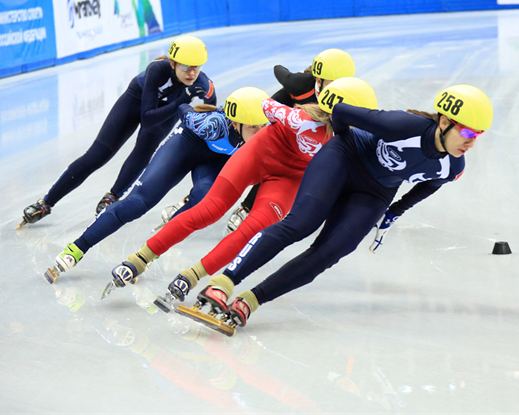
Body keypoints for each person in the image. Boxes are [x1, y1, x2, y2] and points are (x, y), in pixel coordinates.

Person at [194, 84, 493, 331]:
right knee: (300, 224)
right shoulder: (404, 126)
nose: (471, 143)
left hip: (377, 190)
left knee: (331, 251)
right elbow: (341, 112)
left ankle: (250, 301)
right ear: (444, 122)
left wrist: (394, 211)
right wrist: (341, 141)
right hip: (345, 157)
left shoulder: (453, 166)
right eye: (467, 133)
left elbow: (431, 183)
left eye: (477, 136)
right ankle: (222, 283)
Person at [107, 75, 364, 298]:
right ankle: (140, 258)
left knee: (253, 228)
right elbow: (266, 105)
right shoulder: (301, 119)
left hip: (289, 178)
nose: (364, 123)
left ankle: (193, 275)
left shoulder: (356, 139)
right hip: (260, 152)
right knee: (210, 209)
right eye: (360, 116)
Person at [43, 87, 269, 284]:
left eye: (263, 126)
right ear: (235, 123)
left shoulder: (265, 132)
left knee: (201, 203)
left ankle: (150, 252)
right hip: (187, 146)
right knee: (137, 203)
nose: (260, 133)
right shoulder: (212, 125)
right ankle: (78, 247)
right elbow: (183, 109)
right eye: (253, 128)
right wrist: (195, 107)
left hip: (216, 162)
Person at [19, 35, 215, 228]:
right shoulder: (158, 69)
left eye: (197, 66)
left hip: (165, 112)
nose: (191, 72)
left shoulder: (204, 84)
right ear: (172, 63)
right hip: (136, 101)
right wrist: (182, 101)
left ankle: (113, 196)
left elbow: (213, 120)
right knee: (97, 155)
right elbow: (147, 118)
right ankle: (46, 202)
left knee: (143, 152)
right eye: (185, 66)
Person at [160, 49, 355, 235]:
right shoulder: (301, 83)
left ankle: (247, 207)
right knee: (242, 158)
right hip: (276, 115)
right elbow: (279, 70)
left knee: (279, 167)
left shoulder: (346, 94)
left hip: (302, 127)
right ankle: (195, 200)